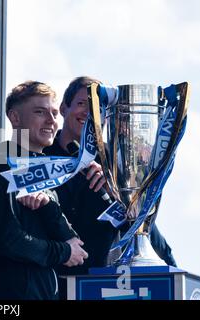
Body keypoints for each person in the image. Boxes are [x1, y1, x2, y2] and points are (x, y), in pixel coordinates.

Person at [43, 76, 177, 298]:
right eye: (81, 103)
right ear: (63, 108)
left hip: (99, 283)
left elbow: (140, 223)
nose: (89, 112)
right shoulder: (41, 156)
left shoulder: (118, 163)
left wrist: (118, 193)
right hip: (51, 282)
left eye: (99, 107)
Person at [0, 81, 88, 300]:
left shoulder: (43, 167)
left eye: (54, 113)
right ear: (15, 118)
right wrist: (62, 252)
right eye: (39, 112)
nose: (52, 121)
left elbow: (73, 243)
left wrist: (47, 205)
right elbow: (8, 239)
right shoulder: (2, 163)